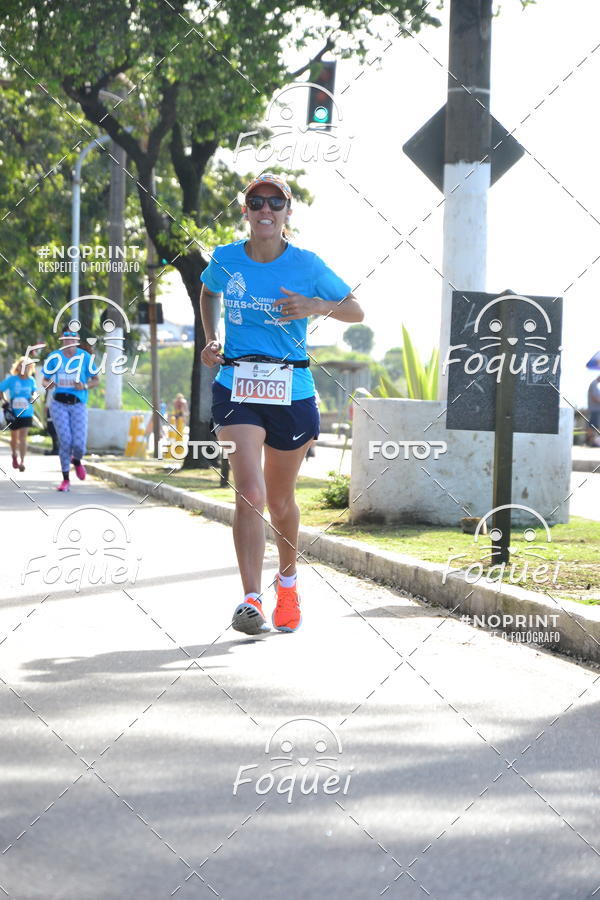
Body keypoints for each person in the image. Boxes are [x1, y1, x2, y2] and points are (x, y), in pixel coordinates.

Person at [200, 172, 364, 635]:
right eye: (257, 202)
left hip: (292, 387)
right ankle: (251, 599)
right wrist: (212, 338)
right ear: (246, 211)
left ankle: (287, 584)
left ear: (288, 212)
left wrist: (315, 306)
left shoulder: (307, 265)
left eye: (276, 203)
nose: (266, 210)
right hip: (236, 385)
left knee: (280, 500)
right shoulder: (226, 258)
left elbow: (355, 309)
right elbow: (209, 291)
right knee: (249, 494)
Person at [41, 330, 100, 491]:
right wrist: (48, 384)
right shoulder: (54, 357)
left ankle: (77, 460)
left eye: (72, 339)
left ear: (77, 340)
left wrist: (84, 386)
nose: (69, 341)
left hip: (78, 404)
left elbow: (96, 380)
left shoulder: (85, 357)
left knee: (79, 445)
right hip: (58, 404)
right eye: (66, 339)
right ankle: (65, 479)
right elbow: (44, 380)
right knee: (65, 442)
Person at [0, 357, 38, 472]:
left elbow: (34, 392)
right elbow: (1, 389)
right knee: (14, 437)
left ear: (30, 368)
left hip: (27, 412)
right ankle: (14, 455)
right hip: (13, 413)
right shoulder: (12, 379)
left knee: (23, 437)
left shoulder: (31, 380)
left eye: (26, 366)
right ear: (18, 367)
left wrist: (33, 397)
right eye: (21, 365)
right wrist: (4, 401)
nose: (23, 368)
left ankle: (22, 462)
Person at [587, 375, 600, 446]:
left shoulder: (594, 384)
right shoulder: (594, 384)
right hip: (594, 409)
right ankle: (591, 442)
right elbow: (594, 397)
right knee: (592, 427)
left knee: (593, 426)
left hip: (594, 410)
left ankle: (592, 442)